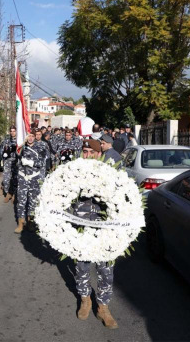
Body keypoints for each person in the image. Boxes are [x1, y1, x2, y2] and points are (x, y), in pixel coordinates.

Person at [70, 139, 118, 329]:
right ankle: (85, 300)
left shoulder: (110, 176)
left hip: (103, 231)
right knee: (81, 267)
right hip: (81, 229)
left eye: (91, 152)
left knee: (106, 270)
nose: (87, 155)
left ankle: (103, 307)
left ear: (99, 154)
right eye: (84, 151)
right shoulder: (73, 175)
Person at [14, 130, 46, 233]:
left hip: (34, 177)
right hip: (23, 177)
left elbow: (42, 162)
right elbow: (16, 161)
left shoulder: (40, 147)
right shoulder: (21, 147)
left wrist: (31, 162)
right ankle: (20, 223)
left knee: (33, 201)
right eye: (29, 136)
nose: (31, 138)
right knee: (21, 201)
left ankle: (31, 222)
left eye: (33, 136)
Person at [1, 126, 18, 202]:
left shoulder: (19, 140)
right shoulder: (6, 140)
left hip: (16, 162)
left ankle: (14, 194)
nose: (12, 132)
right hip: (7, 161)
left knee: (15, 179)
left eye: (14, 131)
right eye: (11, 131)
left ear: (16, 131)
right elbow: (2, 150)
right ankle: (8, 193)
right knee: (6, 179)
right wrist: (3, 154)